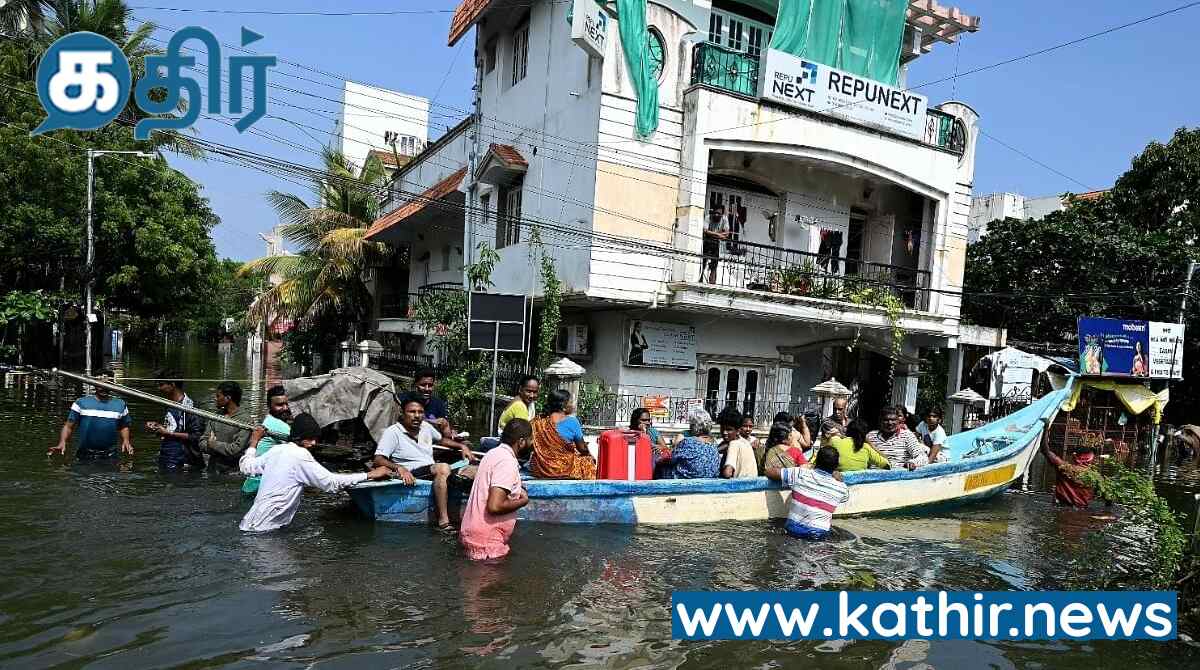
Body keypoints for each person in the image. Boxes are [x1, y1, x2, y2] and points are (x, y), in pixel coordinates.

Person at [239, 413, 391, 532]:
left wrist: (254, 442)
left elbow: (246, 466)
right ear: (299, 437)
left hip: (248, 523)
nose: (314, 443)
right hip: (267, 528)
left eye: (315, 439)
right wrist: (370, 474)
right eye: (310, 438)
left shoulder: (277, 450)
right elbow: (331, 483)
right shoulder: (300, 456)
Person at [374, 393, 476, 532]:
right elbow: (378, 459)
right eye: (412, 412)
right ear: (402, 413)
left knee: (474, 469)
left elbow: (441, 440)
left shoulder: (426, 427)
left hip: (431, 469)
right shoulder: (393, 432)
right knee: (442, 467)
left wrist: (462, 446)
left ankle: (476, 515)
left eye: (420, 412)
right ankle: (444, 522)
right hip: (413, 472)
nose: (417, 415)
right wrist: (399, 468)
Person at [460, 418, 533, 560]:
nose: (532, 444)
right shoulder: (507, 462)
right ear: (522, 442)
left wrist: (517, 489)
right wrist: (523, 501)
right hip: (487, 542)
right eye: (531, 440)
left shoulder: (493, 453)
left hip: (474, 534)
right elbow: (495, 506)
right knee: (490, 581)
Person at [766, 446, 849, 540]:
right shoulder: (841, 488)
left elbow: (769, 472)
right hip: (819, 535)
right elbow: (845, 498)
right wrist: (839, 479)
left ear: (816, 460)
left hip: (793, 531)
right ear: (836, 465)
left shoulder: (800, 474)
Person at [48, 370, 133, 460]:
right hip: (84, 454)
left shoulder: (120, 404)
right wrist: (62, 442)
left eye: (107, 384)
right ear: (94, 384)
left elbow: (124, 426)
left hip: (110, 455)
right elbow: (68, 426)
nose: (103, 388)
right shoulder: (81, 403)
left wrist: (126, 440)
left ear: (112, 384)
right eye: (100, 384)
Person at [529, 389, 596, 479]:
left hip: (541, 469)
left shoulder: (537, 422)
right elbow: (582, 449)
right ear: (563, 406)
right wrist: (589, 455)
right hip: (564, 469)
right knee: (587, 461)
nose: (573, 405)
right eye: (571, 402)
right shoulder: (572, 422)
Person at [145, 370, 205, 470]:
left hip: (183, 461)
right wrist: (158, 426)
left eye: (161, 385)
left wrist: (168, 433)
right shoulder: (170, 404)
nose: (158, 388)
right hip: (167, 457)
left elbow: (196, 436)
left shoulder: (190, 407)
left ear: (172, 384)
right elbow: (173, 428)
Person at [244, 385, 292, 495]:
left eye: (287, 404)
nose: (285, 408)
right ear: (269, 406)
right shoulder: (279, 426)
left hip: (253, 485)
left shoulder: (268, 420)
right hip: (260, 487)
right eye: (279, 405)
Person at [200, 381, 251, 473]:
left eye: (218, 396)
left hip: (232, 472)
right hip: (213, 470)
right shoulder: (215, 416)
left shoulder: (245, 420)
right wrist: (211, 445)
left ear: (228, 398)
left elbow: (236, 449)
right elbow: (202, 442)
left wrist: (214, 444)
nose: (216, 399)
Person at [657, 409, 721, 479]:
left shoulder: (688, 442)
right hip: (709, 481)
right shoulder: (713, 444)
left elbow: (672, 459)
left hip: (687, 482)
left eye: (691, 424)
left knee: (660, 466)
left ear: (693, 426)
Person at [1041, 438, 1102, 508]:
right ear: (1092, 459)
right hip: (1083, 512)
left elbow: (1045, 450)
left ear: (1075, 457)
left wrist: (1045, 429)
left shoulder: (1065, 468)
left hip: (1062, 510)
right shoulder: (1096, 478)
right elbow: (1108, 498)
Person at [718, 409, 758, 478]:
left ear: (738, 430)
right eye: (722, 429)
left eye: (729, 429)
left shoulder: (734, 444)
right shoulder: (745, 443)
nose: (724, 433)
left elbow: (727, 473)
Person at [413, 368, 453, 437]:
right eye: (423, 385)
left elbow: (444, 425)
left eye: (430, 385)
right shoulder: (406, 400)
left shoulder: (439, 404)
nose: (427, 389)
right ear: (416, 384)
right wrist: (433, 422)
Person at [700, 204, 730, 283]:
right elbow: (705, 231)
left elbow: (727, 233)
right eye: (715, 213)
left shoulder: (724, 219)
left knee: (714, 263)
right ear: (712, 212)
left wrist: (714, 234)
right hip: (707, 241)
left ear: (722, 214)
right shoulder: (708, 217)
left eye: (719, 213)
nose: (716, 215)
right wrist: (718, 235)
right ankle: (700, 279)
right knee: (703, 262)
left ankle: (712, 282)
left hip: (716, 242)